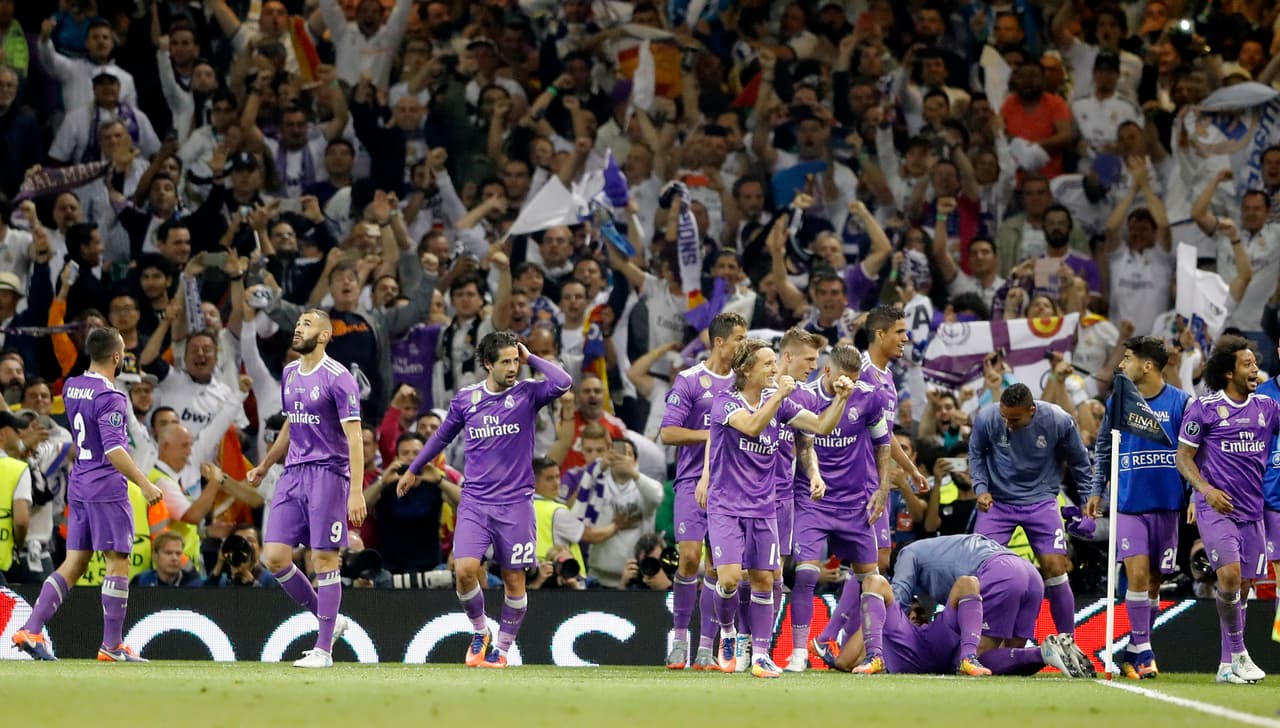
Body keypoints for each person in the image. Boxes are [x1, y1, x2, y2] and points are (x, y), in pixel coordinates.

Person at [396, 331, 572, 668]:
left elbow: (563, 382)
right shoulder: (466, 399)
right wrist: (414, 468)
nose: (512, 367)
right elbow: (441, 435)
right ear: (487, 364)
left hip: (516, 503)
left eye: (514, 361)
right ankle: (481, 631)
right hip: (475, 501)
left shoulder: (528, 392)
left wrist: (530, 356)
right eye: (504, 362)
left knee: (514, 579)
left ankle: (501, 652)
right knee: (464, 570)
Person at [701, 338, 855, 678]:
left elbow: (820, 426)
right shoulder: (725, 402)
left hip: (764, 507)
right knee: (727, 579)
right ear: (747, 370)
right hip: (726, 504)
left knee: (764, 579)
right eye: (768, 364)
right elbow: (753, 426)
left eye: (774, 362)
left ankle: (759, 656)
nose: (775, 369)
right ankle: (727, 633)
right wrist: (781, 396)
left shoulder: (778, 401)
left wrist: (841, 399)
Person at [12, 327, 163, 662]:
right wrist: (145, 483)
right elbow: (114, 451)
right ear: (116, 356)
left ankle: (31, 629)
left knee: (75, 561)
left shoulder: (72, 386)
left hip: (80, 483)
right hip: (106, 486)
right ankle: (111, 646)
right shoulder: (111, 397)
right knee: (117, 560)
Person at [246, 310, 367, 669]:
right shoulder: (289, 373)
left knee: (324, 559)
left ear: (325, 335)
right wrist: (267, 464)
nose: (298, 329)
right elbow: (290, 423)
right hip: (293, 473)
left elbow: (355, 437)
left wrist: (356, 490)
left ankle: (324, 650)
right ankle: (329, 617)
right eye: (298, 324)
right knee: (275, 558)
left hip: (328, 474)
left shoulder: (339, 378)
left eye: (307, 325)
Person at [1176, 335, 1278, 684]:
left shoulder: (1267, 408)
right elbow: (1183, 458)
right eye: (1247, 365)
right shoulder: (1204, 408)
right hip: (1215, 508)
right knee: (1230, 577)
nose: (1255, 370)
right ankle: (1240, 653)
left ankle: (1225, 665)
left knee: (1243, 586)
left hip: (1253, 512)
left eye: (1255, 363)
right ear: (1228, 372)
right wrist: (1204, 490)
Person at [1085, 336, 1189, 680]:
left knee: (1155, 582)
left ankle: (1135, 647)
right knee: (1139, 575)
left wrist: (1195, 497)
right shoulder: (1118, 401)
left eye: (1127, 358)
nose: (1120, 364)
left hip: (1168, 504)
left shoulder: (1181, 403)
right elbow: (1103, 448)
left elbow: (1194, 454)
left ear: (1147, 366)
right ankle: (1145, 652)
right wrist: (1097, 489)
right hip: (1128, 504)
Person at [658, 312, 747, 670]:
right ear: (719, 341)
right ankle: (679, 640)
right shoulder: (691, 381)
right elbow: (667, 433)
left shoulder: (745, 385)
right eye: (740, 338)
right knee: (690, 558)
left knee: (717, 568)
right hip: (692, 482)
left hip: (732, 489)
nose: (745, 344)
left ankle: (707, 648)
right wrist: (712, 434)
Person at [969, 383, 1092, 637]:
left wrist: (1086, 502)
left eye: (1014, 419)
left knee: (1056, 569)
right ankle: (972, 640)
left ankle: (1068, 641)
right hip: (998, 503)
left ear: (1032, 410)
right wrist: (980, 488)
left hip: (1041, 501)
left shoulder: (1059, 421)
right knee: (979, 569)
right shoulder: (988, 418)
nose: (1007, 424)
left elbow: (1080, 463)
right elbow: (976, 454)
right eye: (1004, 417)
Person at [796, 344, 892, 668]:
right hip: (815, 499)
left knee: (871, 578)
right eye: (841, 380)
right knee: (807, 572)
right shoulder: (807, 396)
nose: (847, 386)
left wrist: (881, 489)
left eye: (852, 380)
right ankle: (798, 654)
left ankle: (848, 650)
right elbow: (806, 444)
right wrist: (815, 476)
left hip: (854, 502)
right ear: (827, 371)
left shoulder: (870, 396)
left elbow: (883, 444)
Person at [770, 328, 825, 672]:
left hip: (782, 494)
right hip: (739, 493)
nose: (813, 368)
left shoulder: (805, 396)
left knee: (774, 575)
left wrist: (815, 474)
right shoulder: (752, 386)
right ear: (788, 356)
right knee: (736, 574)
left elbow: (806, 444)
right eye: (808, 360)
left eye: (817, 362)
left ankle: (759, 648)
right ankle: (736, 643)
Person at [860, 305, 929, 571]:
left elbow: (886, 434)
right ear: (880, 334)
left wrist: (912, 471)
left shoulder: (888, 376)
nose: (906, 338)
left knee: (880, 558)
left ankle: (851, 614)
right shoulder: (860, 372)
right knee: (871, 559)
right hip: (856, 481)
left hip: (878, 480)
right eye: (899, 332)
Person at [134, 531, 202, 587]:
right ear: (155, 555)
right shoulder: (141, 581)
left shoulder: (193, 583)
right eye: (168, 553)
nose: (174, 558)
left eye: (178, 553)